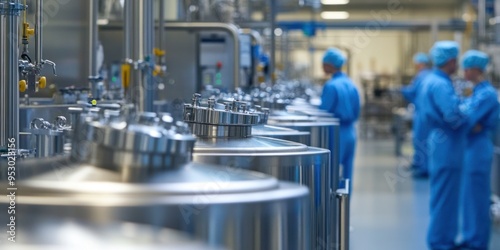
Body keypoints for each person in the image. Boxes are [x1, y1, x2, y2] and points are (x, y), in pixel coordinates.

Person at [419, 41, 477, 249]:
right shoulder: (441, 84)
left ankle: (443, 239)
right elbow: (452, 115)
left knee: (445, 196)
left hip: (441, 142)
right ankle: (441, 242)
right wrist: (470, 111)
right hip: (447, 144)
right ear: (451, 61)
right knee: (445, 197)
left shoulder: (433, 80)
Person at [459, 50, 499, 250]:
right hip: (470, 148)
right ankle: (469, 238)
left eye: (467, 69)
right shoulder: (476, 92)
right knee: (468, 197)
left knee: (478, 198)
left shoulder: (487, 94)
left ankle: (477, 242)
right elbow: (466, 117)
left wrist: (468, 120)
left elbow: (467, 120)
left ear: (477, 70)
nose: (464, 73)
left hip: (479, 149)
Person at [319, 47, 360, 188]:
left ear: (330, 65)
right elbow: (357, 111)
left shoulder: (331, 86)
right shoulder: (351, 84)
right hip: (351, 133)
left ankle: (333, 207)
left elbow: (323, 112)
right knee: (347, 174)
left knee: (333, 172)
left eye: (324, 63)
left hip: (336, 133)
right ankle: (345, 206)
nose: (322, 66)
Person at [401, 52, 432, 178]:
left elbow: (412, 92)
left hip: (422, 114)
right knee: (424, 142)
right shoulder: (430, 76)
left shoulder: (421, 77)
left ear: (420, 64)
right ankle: (422, 165)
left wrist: (401, 89)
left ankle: (423, 168)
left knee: (421, 140)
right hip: (425, 114)